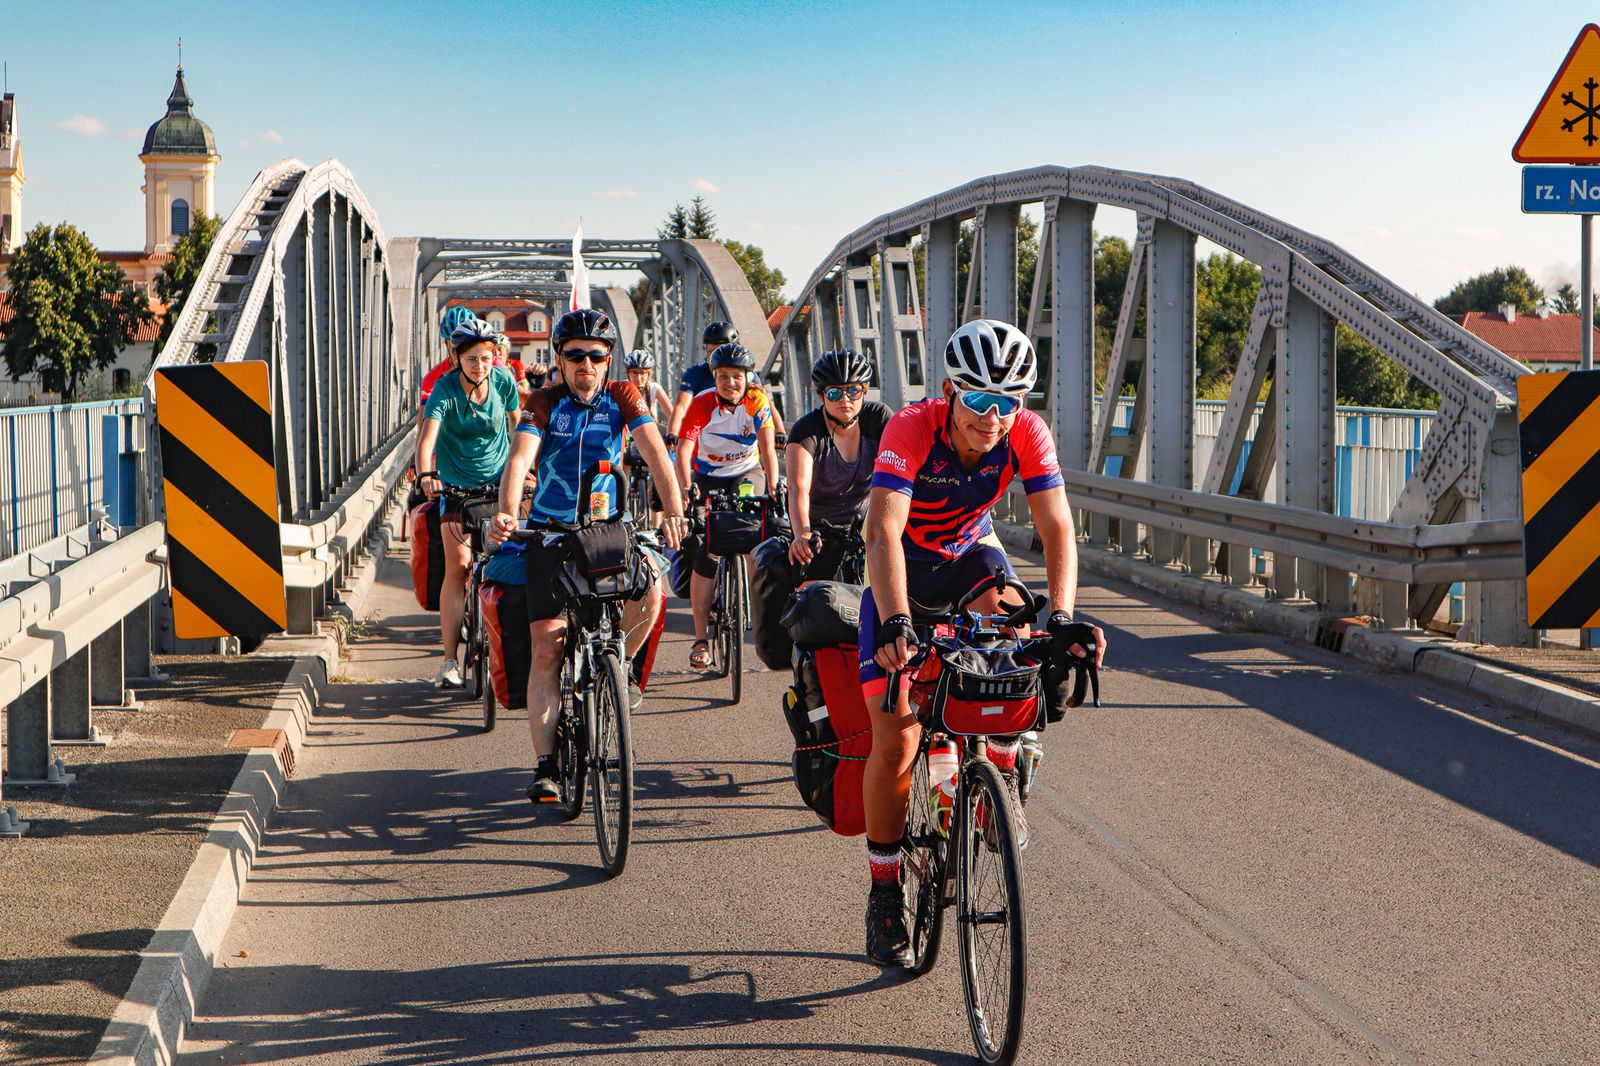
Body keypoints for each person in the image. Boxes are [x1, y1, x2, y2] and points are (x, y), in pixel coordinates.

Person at [857, 319, 1107, 967]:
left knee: (1020, 639)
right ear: (948, 392)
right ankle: (885, 893)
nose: (993, 418)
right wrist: (892, 622)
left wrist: (1062, 617)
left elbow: (1058, 530)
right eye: (977, 401)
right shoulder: (910, 427)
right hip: (904, 572)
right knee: (898, 736)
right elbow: (882, 533)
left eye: (1008, 403)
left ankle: (1002, 760)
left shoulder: (1025, 432)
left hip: (970, 557)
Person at [486, 309, 688, 805]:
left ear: (608, 361)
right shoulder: (544, 400)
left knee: (652, 594)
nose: (586, 364)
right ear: (559, 360)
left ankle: (619, 669)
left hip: (606, 530)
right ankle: (546, 764)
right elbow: (519, 459)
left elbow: (657, 454)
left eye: (597, 356)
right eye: (575, 355)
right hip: (551, 534)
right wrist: (508, 513)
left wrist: (673, 511)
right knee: (547, 646)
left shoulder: (623, 396)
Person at [415, 316, 521, 687]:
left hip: (499, 482)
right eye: (472, 358)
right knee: (458, 566)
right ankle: (448, 660)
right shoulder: (444, 390)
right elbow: (427, 440)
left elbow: (521, 426)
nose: (480, 365)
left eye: (487, 358)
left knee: (506, 559)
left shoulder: (504, 381)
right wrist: (427, 474)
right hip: (456, 486)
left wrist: (531, 467)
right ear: (456, 356)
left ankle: (512, 646)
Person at [676, 342, 781, 670]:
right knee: (705, 554)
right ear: (714, 377)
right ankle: (700, 639)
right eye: (723, 376)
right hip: (707, 476)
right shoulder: (702, 404)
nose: (730, 382)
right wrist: (686, 488)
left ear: (748, 378)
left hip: (745, 473)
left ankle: (757, 612)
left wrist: (775, 486)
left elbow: (767, 449)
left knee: (753, 535)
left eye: (737, 376)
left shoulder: (756, 401)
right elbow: (683, 449)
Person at [668, 321, 787, 439]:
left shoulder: (748, 376)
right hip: (706, 440)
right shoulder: (695, 374)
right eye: (710, 352)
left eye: (718, 351)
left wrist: (780, 432)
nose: (713, 357)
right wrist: (672, 433)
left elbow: (765, 406)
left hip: (739, 441)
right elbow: (682, 406)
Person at [624, 350, 674, 422]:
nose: (638, 378)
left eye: (643, 373)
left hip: (648, 431)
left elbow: (672, 415)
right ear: (628, 373)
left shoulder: (654, 388)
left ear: (648, 374)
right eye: (634, 372)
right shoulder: (621, 387)